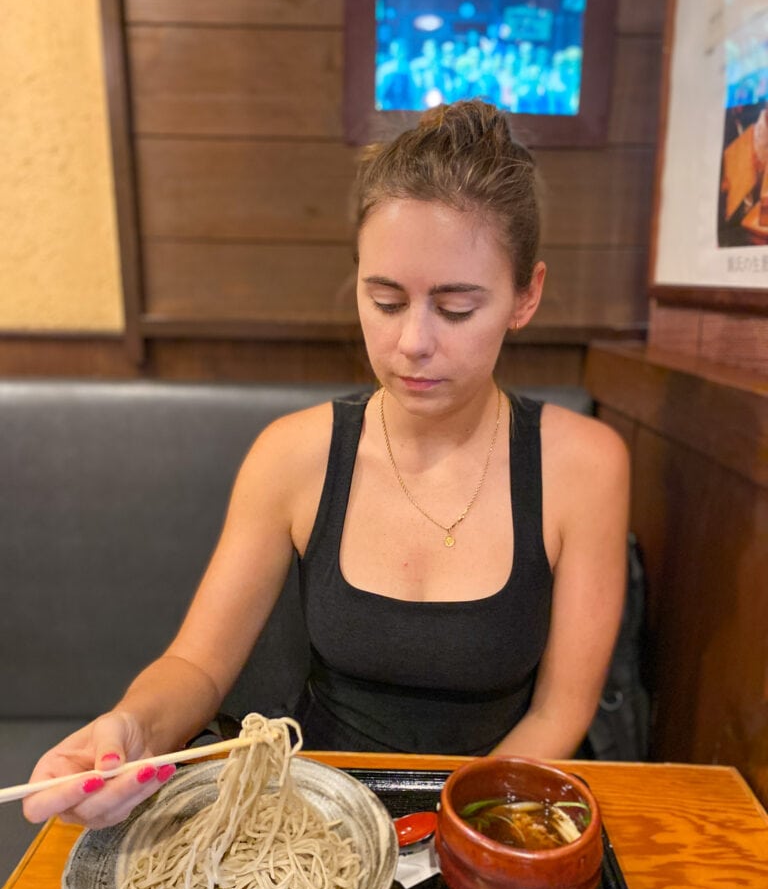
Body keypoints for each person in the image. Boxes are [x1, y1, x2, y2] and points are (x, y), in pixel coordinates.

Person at [24, 100, 629, 831]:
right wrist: (131, 727)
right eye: (385, 300)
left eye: (457, 308)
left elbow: (563, 710)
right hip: (313, 821)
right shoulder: (294, 454)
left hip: (491, 814)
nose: (412, 342)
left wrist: (448, 831)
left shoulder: (584, 464)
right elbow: (199, 666)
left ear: (525, 296)